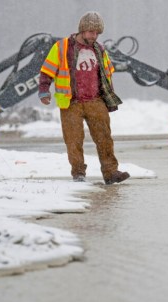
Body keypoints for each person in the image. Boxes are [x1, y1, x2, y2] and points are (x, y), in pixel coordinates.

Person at [38, 12, 130, 185]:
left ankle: (111, 173)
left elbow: (107, 73)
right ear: (81, 30)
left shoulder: (99, 49)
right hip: (71, 102)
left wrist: (108, 97)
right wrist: (44, 90)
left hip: (95, 101)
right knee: (73, 140)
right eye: (90, 32)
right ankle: (78, 173)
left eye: (97, 33)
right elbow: (47, 70)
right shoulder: (62, 46)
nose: (93, 36)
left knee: (105, 138)